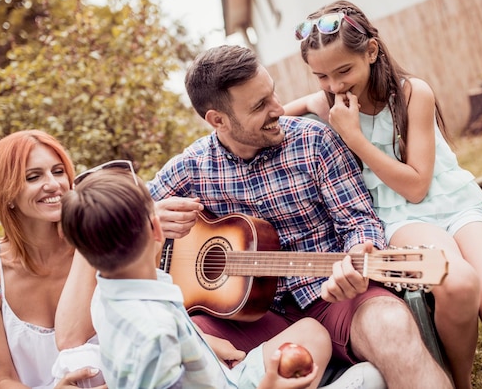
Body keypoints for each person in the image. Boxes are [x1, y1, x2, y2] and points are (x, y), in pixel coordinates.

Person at [283, 0, 482, 389]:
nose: (334, 86)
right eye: (321, 76)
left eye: (343, 71)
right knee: (456, 283)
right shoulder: (326, 103)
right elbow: (273, 118)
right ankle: (460, 381)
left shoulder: (411, 93)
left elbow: (418, 185)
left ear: (371, 51)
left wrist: (353, 136)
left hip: (452, 205)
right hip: (401, 219)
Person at [145, 44, 452, 389]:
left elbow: (358, 221)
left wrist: (359, 253)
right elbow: (118, 210)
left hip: (335, 299)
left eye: (272, 94)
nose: (278, 108)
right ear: (218, 120)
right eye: (260, 105)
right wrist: (149, 216)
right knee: (170, 345)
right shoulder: (193, 166)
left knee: (391, 324)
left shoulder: (315, 142)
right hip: (245, 318)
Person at [59, 163, 333, 389]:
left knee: (313, 332)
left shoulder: (106, 295)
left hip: (220, 377)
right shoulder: (156, 334)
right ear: (157, 230)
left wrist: (203, 349)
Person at [0, 130, 105, 389]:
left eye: (58, 172)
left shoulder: (101, 248)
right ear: (8, 194)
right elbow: (2, 379)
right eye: (33, 177)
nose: (53, 184)